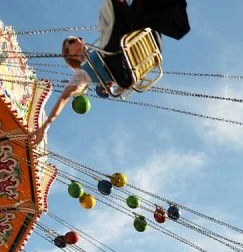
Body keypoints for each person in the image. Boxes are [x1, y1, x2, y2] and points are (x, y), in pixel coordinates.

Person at [31, 0, 189, 145]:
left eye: (78, 37)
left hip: (137, 47)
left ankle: (177, 24)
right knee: (112, 21)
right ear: (69, 54)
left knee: (142, 9)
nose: (78, 40)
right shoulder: (83, 73)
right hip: (122, 68)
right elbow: (64, 98)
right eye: (71, 41)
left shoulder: (97, 48)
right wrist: (45, 126)